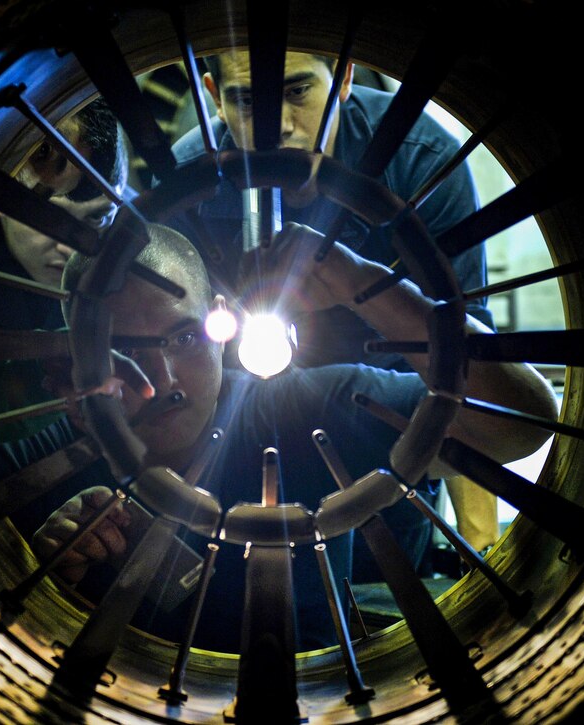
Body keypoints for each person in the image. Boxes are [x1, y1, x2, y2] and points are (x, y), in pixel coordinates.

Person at [0, 220, 556, 652]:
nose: (160, 381)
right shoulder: (44, 466)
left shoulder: (300, 410)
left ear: (221, 322)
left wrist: (366, 285)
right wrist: (38, 585)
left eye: (183, 340)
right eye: (124, 352)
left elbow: (518, 425)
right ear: (72, 365)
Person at [167, 50, 501, 574]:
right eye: (248, 100)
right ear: (212, 94)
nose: (276, 128)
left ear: (343, 78)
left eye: (298, 91)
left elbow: (465, 366)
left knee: (384, 582)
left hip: (393, 437)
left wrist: (482, 551)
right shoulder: (189, 181)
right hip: (240, 448)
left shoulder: (419, 163)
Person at [0, 97, 133, 442]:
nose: (69, 247)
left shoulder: (138, 254)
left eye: (95, 218)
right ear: (1, 203)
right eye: (47, 217)